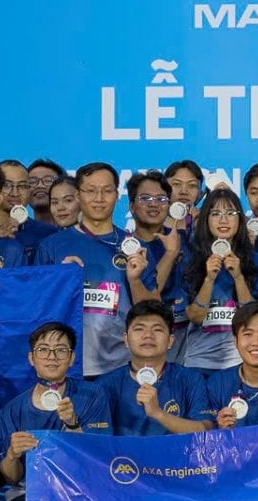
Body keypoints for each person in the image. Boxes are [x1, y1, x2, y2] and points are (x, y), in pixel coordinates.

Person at [0, 322, 111, 501]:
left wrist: (73, 424)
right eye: (43, 350)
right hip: (30, 495)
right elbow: (11, 476)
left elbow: (98, 458)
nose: (52, 357)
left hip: (83, 494)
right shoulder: (13, 409)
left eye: (60, 350)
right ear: (31, 358)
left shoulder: (93, 395)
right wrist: (12, 455)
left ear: (72, 357)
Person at [35, 163, 137, 377]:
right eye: (90, 191)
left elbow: (147, 308)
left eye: (106, 191)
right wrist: (59, 279)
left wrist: (135, 279)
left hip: (119, 367)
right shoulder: (51, 246)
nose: (99, 198)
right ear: (79, 196)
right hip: (66, 367)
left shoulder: (134, 247)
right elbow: (37, 307)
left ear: (117, 195)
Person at [99, 300, 214, 436]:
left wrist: (157, 413)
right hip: (124, 457)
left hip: (175, 457)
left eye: (157, 329)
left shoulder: (191, 380)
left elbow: (206, 431)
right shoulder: (105, 385)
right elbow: (96, 441)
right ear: (126, 340)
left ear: (170, 341)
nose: (148, 335)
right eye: (139, 329)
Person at [180, 187, 258, 370]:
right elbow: (195, 316)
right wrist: (209, 280)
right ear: (206, 220)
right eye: (216, 213)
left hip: (241, 363)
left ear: (240, 219)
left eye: (230, 213)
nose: (223, 220)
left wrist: (239, 277)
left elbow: (254, 320)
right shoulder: (190, 260)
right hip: (199, 363)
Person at [122, 170, 189, 353]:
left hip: (185, 339)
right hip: (145, 339)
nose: (154, 205)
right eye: (145, 199)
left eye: (161, 199)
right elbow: (149, 302)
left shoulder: (186, 241)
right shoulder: (125, 247)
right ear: (131, 206)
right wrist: (170, 254)